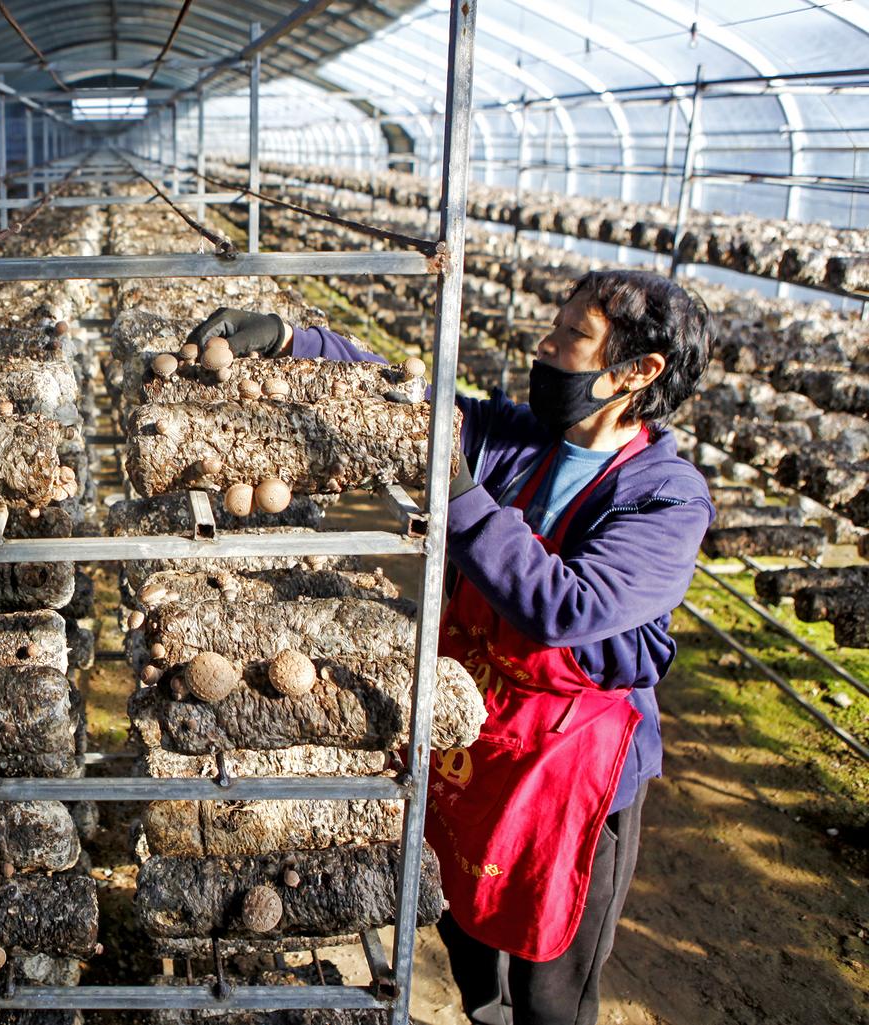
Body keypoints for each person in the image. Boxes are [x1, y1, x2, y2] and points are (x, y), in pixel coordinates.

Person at [188, 269, 713, 1025]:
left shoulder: (665, 497)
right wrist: (295, 341)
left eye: (572, 336)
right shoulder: (526, 442)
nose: (546, 344)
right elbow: (410, 408)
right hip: (482, 744)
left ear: (637, 372)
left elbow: (568, 606)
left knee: (549, 982)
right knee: (466, 928)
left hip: (572, 778)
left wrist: (461, 491)